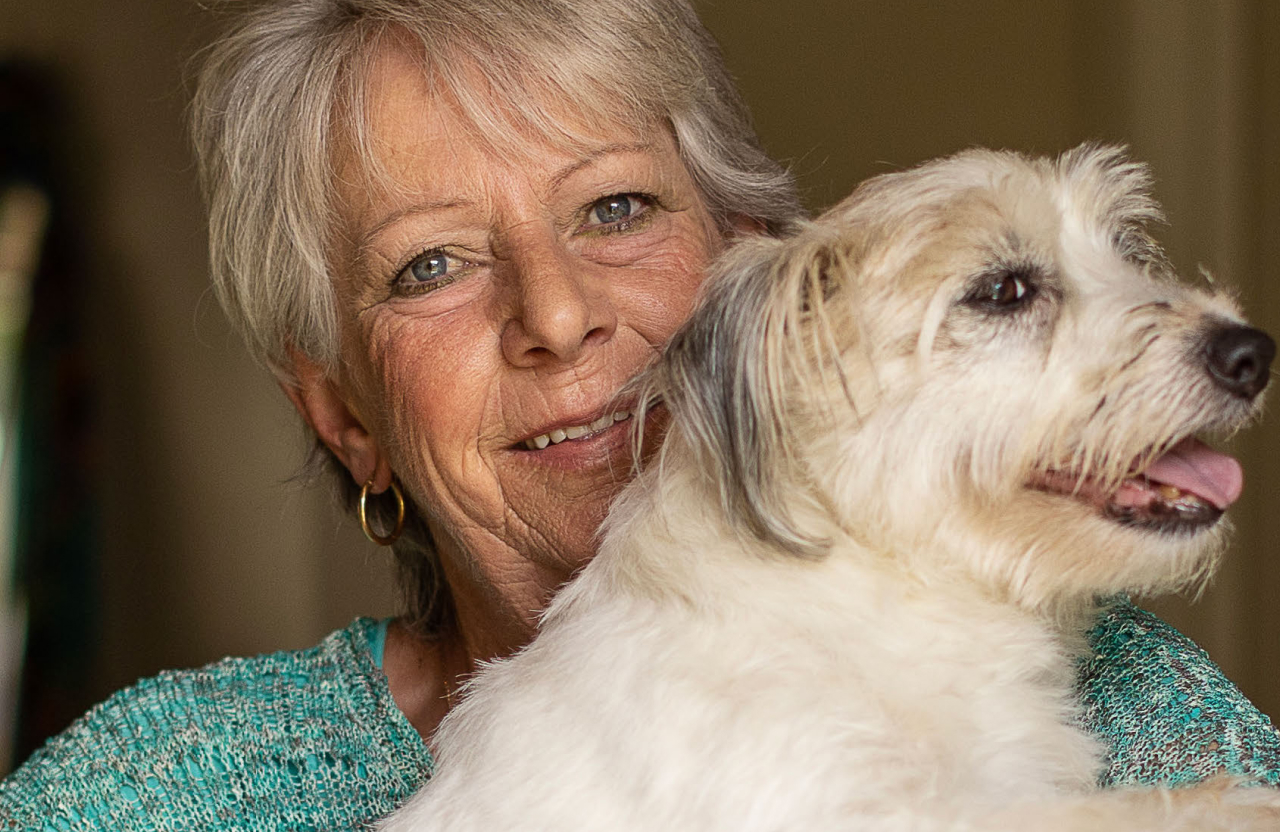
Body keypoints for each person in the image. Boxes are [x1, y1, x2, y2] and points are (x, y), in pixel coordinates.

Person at [2, 0, 1278, 828]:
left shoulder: (1150, 715)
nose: (554, 314)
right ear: (345, 416)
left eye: (615, 208)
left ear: (763, 287)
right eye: (430, 264)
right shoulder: (141, 795)